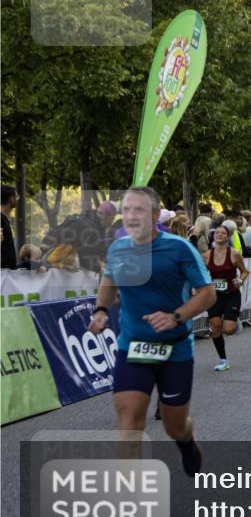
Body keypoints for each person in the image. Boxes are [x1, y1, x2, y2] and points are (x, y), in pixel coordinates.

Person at [87, 185, 215, 476]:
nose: (131, 216)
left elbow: (207, 293)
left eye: (139, 210)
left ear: (155, 215)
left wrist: (175, 316)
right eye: (127, 210)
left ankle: (186, 439)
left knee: (174, 425)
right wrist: (101, 311)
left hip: (175, 347)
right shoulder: (118, 248)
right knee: (130, 421)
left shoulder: (179, 248)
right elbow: (109, 283)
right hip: (133, 345)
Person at [203, 221, 250, 372]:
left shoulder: (235, 254)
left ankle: (234, 321)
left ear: (228, 236)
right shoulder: (206, 255)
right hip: (214, 296)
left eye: (223, 233)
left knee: (228, 330)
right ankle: (223, 360)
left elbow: (245, 271)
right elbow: (201, 274)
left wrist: (240, 280)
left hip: (231, 295)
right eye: (217, 233)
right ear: (213, 236)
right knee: (215, 327)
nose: (219, 235)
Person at [1, 185, 18, 269]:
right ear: (11, 198)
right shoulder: (1, 220)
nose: (18, 199)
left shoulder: (4, 220)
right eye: (16, 196)